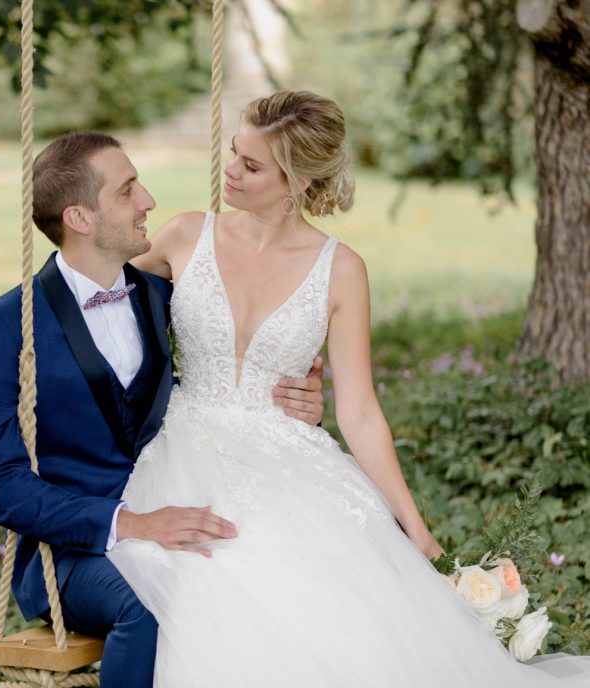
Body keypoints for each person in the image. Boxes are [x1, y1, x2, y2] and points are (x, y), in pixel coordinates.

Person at [105, 90, 590, 686]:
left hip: (286, 458)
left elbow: (359, 413)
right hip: (185, 447)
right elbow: (95, 308)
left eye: (251, 166)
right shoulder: (184, 235)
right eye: (235, 153)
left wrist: (416, 528)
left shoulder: (340, 269)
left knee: (324, 593)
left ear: (300, 182)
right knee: (212, 583)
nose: (229, 170)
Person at [0, 131, 327, 688]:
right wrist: (127, 524)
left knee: (280, 577)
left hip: (179, 510)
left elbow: (211, 389)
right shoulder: (7, 325)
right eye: (128, 190)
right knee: (152, 603)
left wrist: (294, 399)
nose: (150, 201)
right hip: (74, 553)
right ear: (80, 218)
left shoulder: (164, 297)